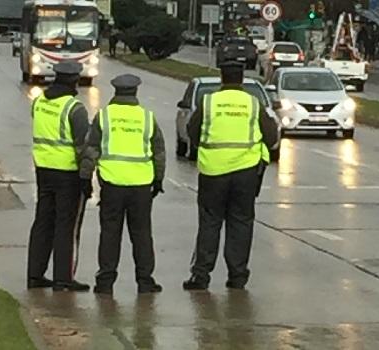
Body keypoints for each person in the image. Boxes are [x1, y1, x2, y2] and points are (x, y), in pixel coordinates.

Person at [182, 58, 278, 291]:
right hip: (246, 173)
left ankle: (201, 276)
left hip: (213, 172)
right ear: (242, 78)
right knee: (241, 223)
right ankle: (237, 276)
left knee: (209, 223)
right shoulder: (253, 103)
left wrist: (203, 148)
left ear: (222, 78)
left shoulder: (209, 102)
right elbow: (271, 135)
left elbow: (191, 131)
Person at [83, 74, 166, 295]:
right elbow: (159, 151)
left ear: (116, 92)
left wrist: (85, 178)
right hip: (141, 186)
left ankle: (105, 281)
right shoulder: (147, 117)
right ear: (135, 92)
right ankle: (145, 281)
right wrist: (158, 179)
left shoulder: (104, 117)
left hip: (112, 185)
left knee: (110, 233)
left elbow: (91, 150)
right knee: (142, 234)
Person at [27, 61, 93, 292]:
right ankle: (63, 278)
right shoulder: (74, 108)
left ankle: (35, 274)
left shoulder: (39, 102)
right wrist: (86, 179)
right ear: (74, 80)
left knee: (43, 222)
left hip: (43, 171)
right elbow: (83, 147)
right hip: (68, 174)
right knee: (67, 226)